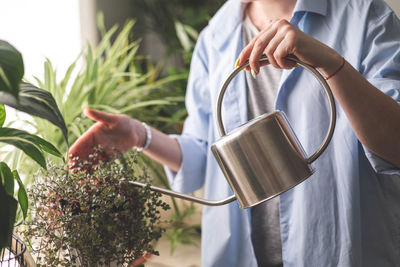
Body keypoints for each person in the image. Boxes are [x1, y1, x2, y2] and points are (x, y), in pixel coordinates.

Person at [69, 0, 400, 266]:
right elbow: (205, 154)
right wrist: (139, 135)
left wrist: (332, 65)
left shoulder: (366, 16)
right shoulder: (216, 35)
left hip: (341, 250)